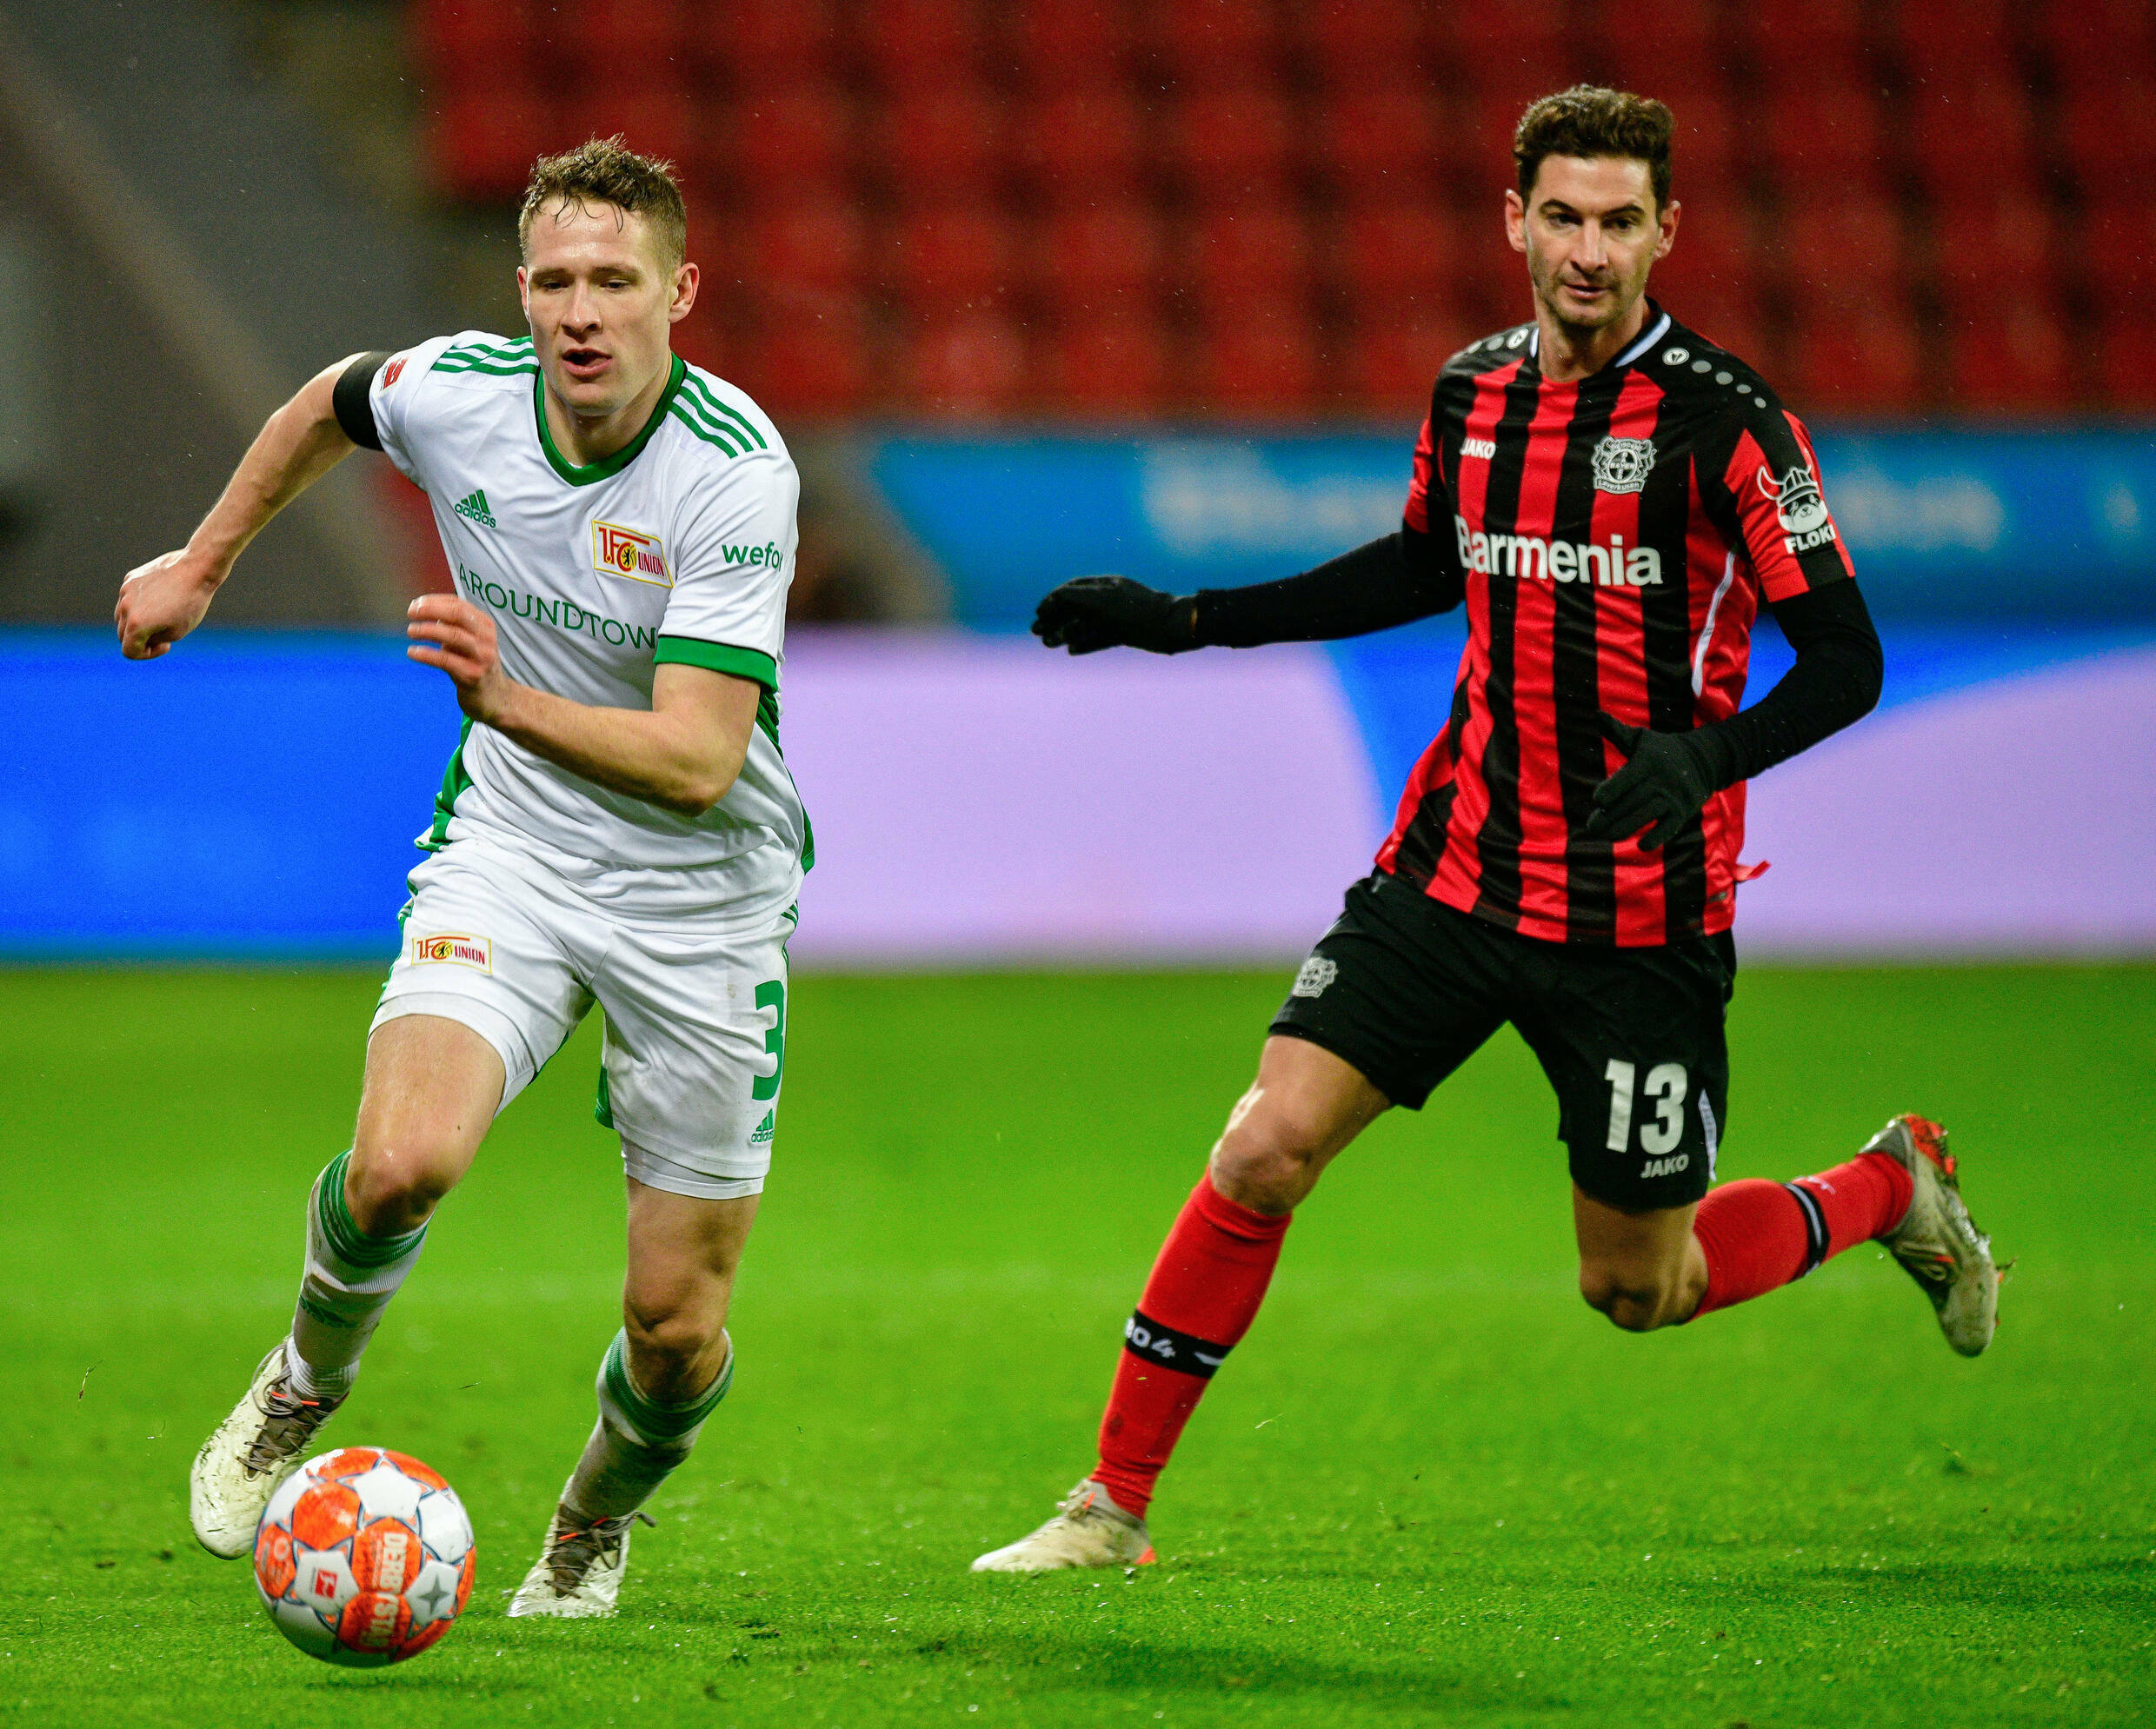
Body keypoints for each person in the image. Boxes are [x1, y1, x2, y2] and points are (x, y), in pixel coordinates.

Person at [974, 87, 2000, 1574]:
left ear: (1668, 233)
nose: (1590, 252)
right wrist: (1188, 621)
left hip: (1637, 918)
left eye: (1621, 222)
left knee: (1639, 1285)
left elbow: (1849, 657)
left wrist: (1705, 755)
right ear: (1513, 220)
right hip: (1449, 870)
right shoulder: (1473, 392)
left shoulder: (1728, 424)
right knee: (1264, 1147)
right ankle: (1108, 1506)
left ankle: (1890, 1185)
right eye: (1564, 217)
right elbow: (1419, 565)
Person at [116, 138, 810, 1618]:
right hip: (518, 847)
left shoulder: (735, 477)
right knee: (398, 1165)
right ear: (521, 291)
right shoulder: (461, 394)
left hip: (703, 896)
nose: (581, 311)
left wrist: (507, 702)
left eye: (615, 281)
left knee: (675, 1326)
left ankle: (584, 1526)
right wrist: (201, 560)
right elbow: (332, 402)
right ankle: (301, 1382)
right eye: (555, 279)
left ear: (678, 292)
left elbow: (696, 758)